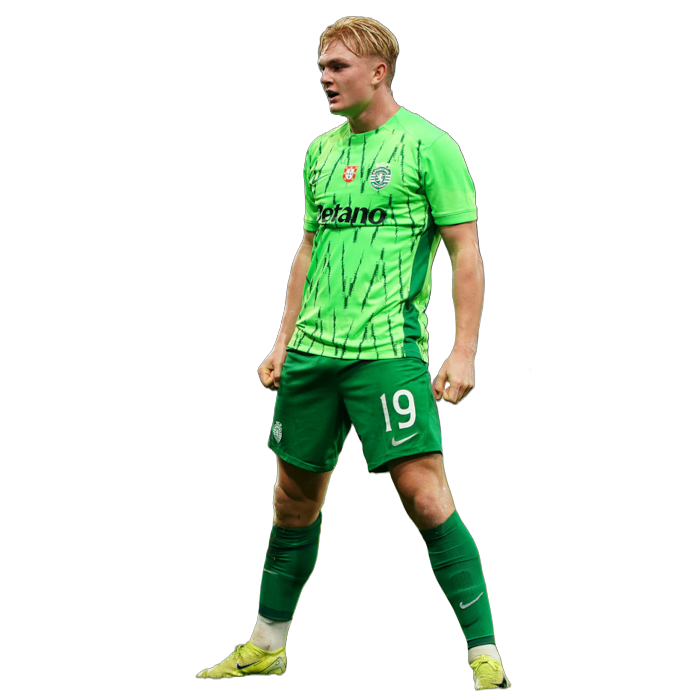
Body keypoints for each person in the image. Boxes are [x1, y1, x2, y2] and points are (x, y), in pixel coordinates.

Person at [196, 16, 510, 690]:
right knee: (291, 501)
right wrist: (282, 340)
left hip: (386, 353)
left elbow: (466, 253)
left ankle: (485, 655)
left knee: (426, 498)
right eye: (321, 67)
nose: (325, 78)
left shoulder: (431, 146)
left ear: (378, 70)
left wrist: (465, 351)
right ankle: (267, 645)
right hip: (312, 356)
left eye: (338, 66)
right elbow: (309, 249)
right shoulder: (318, 151)